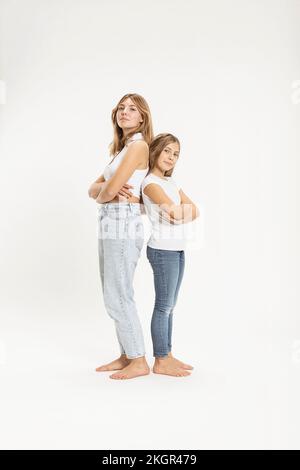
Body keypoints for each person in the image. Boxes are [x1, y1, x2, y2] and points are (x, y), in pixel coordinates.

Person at [88, 93, 154, 380]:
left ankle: (138, 359)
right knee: (111, 289)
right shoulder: (122, 149)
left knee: (118, 292)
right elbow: (94, 188)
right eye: (121, 108)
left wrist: (104, 193)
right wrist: (104, 192)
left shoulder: (138, 146)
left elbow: (106, 191)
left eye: (133, 109)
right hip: (110, 220)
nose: (125, 112)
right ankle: (127, 353)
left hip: (122, 222)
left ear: (143, 118)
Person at [141, 133, 200, 377]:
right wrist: (178, 214)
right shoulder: (151, 184)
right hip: (162, 250)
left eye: (175, 154)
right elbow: (176, 214)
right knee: (164, 306)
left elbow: (194, 211)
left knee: (171, 307)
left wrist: (179, 213)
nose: (171, 157)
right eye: (167, 151)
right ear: (155, 151)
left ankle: (167, 353)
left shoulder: (172, 184)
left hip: (177, 249)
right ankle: (161, 360)